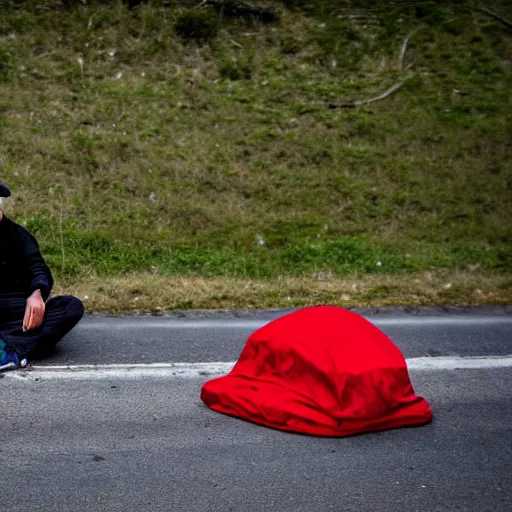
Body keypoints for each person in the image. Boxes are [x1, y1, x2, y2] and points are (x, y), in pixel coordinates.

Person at [0, 183, 84, 371]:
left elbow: (37, 268)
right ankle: (15, 347)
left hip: (18, 313)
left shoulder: (19, 236)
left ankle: (9, 350)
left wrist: (37, 292)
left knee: (70, 307)